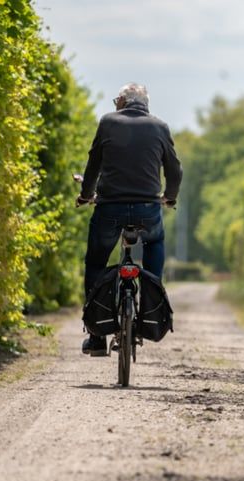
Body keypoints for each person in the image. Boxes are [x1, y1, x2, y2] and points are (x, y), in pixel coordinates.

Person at [76, 83, 182, 356]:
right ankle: (150, 309)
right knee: (154, 243)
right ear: (145, 104)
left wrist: (86, 194)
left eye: (116, 100)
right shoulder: (160, 126)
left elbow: (93, 165)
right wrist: (169, 197)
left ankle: (97, 337)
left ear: (122, 101)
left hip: (110, 208)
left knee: (96, 261)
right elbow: (174, 169)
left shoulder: (108, 122)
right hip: (148, 209)